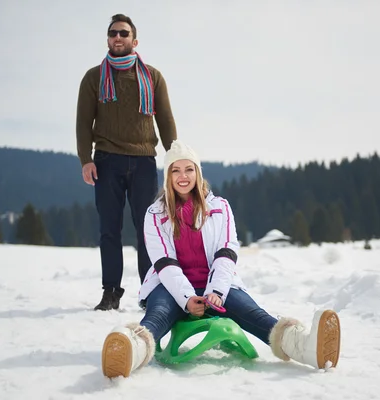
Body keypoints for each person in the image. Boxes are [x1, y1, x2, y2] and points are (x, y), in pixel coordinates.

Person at [100, 141, 341, 378]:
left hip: (217, 283)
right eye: (176, 170)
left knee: (252, 312)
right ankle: (131, 350)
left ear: (198, 172)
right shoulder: (155, 214)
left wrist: (216, 290)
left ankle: (304, 347)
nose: (183, 176)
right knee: (158, 313)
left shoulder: (220, 207)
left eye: (189, 169)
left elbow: (227, 251)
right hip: (169, 285)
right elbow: (164, 261)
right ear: (168, 176)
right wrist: (187, 298)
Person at [76, 14, 177, 311]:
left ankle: (150, 292)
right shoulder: (94, 77)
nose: (117, 38)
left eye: (123, 33)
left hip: (145, 161)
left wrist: (174, 158)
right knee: (110, 229)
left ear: (134, 41)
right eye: (112, 33)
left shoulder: (153, 76)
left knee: (148, 230)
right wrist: (86, 159)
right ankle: (111, 292)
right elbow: (83, 123)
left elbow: (166, 120)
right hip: (107, 162)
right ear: (108, 39)